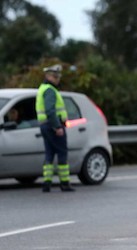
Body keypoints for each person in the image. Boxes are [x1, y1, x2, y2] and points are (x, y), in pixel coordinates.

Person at [35, 64, 75, 192]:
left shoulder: (42, 88)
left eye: (58, 76)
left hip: (44, 126)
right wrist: (57, 126)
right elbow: (50, 111)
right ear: (48, 76)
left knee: (49, 154)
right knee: (62, 153)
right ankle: (64, 183)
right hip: (53, 125)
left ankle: (47, 183)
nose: (57, 79)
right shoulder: (50, 91)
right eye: (54, 76)